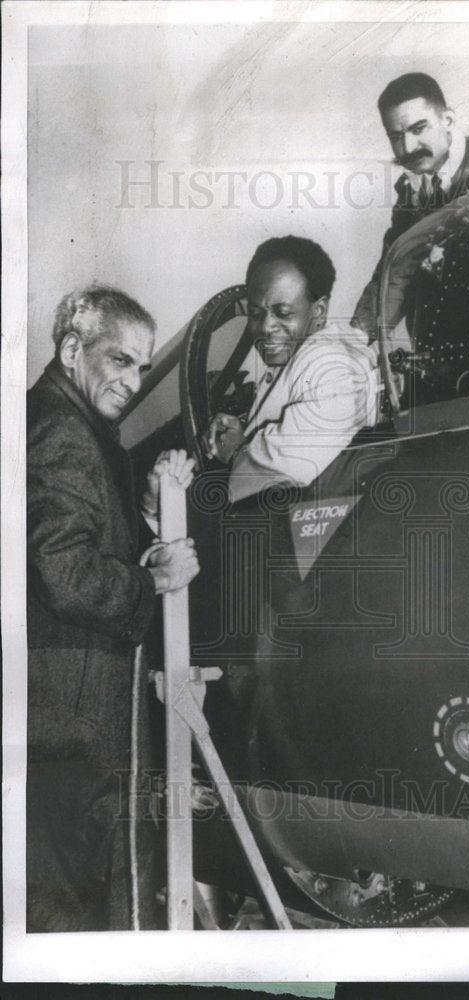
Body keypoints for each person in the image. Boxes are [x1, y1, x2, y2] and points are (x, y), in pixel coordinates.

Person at [27, 285, 199, 931]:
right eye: (119, 359)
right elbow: (65, 573)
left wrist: (151, 511)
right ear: (73, 349)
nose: (132, 380)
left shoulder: (67, 423)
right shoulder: (61, 431)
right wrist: (149, 581)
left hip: (61, 716)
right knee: (69, 903)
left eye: (142, 365)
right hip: (70, 719)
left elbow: (87, 539)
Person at [352, 72, 469, 336]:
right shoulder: (410, 193)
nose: (408, 147)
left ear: (447, 119)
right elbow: (396, 271)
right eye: (395, 137)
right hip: (444, 344)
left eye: (418, 129)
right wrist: (357, 338)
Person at [206, 236, 379, 502]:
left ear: (319, 310)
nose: (265, 328)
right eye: (255, 314)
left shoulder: (335, 368)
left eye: (283, 313)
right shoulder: (304, 357)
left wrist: (235, 451)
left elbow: (289, 469)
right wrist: (240, 430)